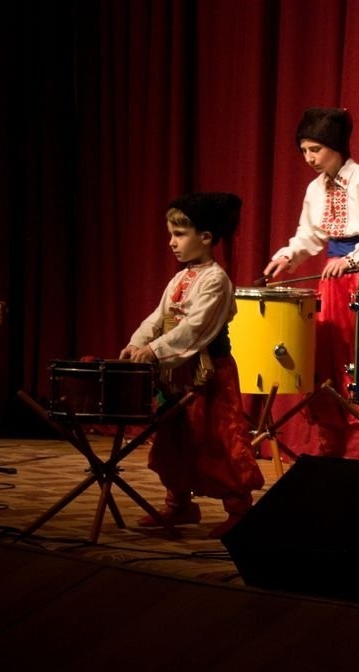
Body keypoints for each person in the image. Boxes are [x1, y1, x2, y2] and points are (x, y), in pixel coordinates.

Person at [263, 107, 359, 459]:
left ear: (336, 146)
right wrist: (288, 256)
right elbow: (309, 235)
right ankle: (332, 453)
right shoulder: (316, 188)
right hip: (333, 282)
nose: (309, 158)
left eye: (316, 149)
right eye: (304, 151)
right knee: (327, 363)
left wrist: (354, 260)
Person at [121, 192, 264, 539]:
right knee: (175, 438)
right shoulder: (181, 278)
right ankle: (179, 504)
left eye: (180, 234)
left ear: (206, 237)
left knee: (217, 439)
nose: (172, 242)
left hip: (209, 374)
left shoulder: (216, 280)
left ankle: (239, 509)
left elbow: (196, 329)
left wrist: (154, 350)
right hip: (178, 373)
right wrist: (138, 343)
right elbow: (159, 317)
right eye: (171, 234)